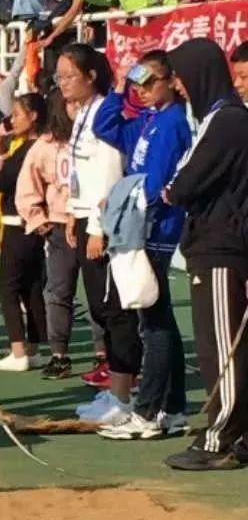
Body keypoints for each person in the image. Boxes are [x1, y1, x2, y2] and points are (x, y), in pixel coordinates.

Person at [93, 52, 193, 441]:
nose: (143, 90)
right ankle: (173, 407)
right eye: (140, 83)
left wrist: (120, 197)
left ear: (171, 80)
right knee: (158, 319)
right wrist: (120, 88)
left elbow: (155, 185)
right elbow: (106, 126)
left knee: (153, 323)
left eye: (151, 82)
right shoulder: (149, 119)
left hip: (155, 231)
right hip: (141, 229)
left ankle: (149, 410)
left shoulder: (171, 123)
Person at [163, 39, 248, 471]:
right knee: (230, 344)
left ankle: (219, 438)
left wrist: (171, 190)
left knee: (221, 349)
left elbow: (182, 184)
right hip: (218, 243)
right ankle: (239, 436)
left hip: (221, 247)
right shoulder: (219, 118)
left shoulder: (227, 121)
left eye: (179, 76)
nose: (177, 85)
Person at [57, 45, 141, 426]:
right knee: (99, 309)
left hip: (103, 226)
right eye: (59, 77)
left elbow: (107, 173)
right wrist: (73, 215)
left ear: (91, 75)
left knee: (114, 311)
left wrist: (96, 227)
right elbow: (81, 176)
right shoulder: (81, 114)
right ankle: (112, 389)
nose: (62, 84)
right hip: (84, 217)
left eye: (69, 76)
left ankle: (124, 397)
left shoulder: (104, 112)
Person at [15, 88, 76, 379]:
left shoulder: (95, 137)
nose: (73, 109)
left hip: (93, 225)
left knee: (102, 297)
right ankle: (59, 354)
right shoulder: (46, 144)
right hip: (59, 225)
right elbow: (27, 185)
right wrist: (37, 218)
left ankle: (106, 356)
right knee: (57, 292)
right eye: (67, 105)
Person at [0, 94, 48, 371]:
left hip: (18, 221)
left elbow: (0, 181)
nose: (11, 120)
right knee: (32, 286)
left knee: (8, 287)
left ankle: (17, 350)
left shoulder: (27, 149)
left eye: (16, 114)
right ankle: (36, 347)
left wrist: (1, 156)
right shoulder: (45, 144)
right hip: (38, 224)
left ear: (33, 115)